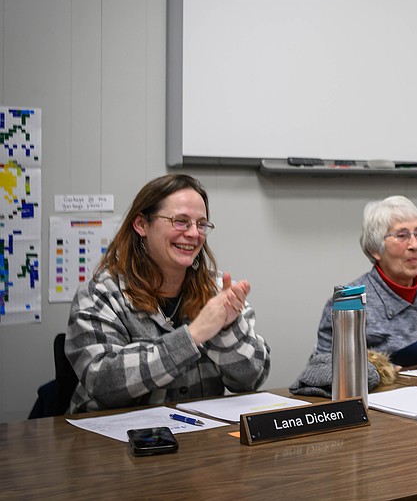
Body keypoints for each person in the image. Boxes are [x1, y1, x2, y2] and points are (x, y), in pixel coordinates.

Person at [65, 174, 270, 413]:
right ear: (141, 224)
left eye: (201, 224)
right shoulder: (101, 294)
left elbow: (252, 378)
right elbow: (102, 381)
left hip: (199, 439)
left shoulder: (220, 291)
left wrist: (226, 329)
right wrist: (192, 336)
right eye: (181, 221)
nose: (194, 233)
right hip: (112, 444)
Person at [313, 195, 417, 359]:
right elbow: (322, 372)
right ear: (375, 249)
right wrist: (380, 371)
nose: (414, 245)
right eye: (402, 236)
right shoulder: (349, 300)